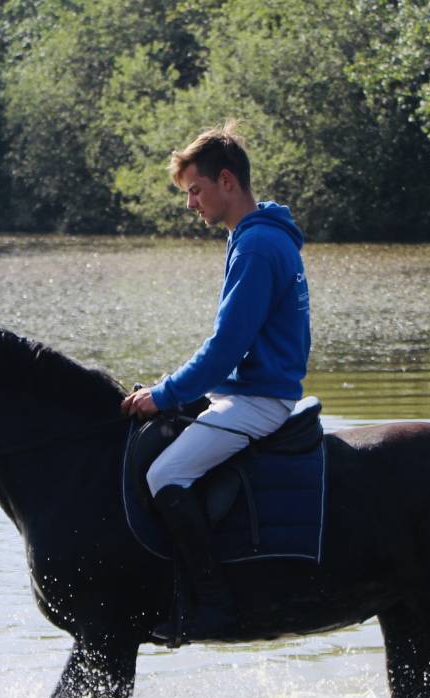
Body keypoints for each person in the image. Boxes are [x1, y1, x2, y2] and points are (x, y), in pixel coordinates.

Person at [120, 121, 311, 643]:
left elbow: (226, 346)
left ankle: (213, 606)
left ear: (227, 181)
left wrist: (164, 394)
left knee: (165, 475)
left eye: (195, 191)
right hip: (244, 390)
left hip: (258, 400)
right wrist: (172, 387)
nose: (191, 205)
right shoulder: (258, 237)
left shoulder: (255, 248)